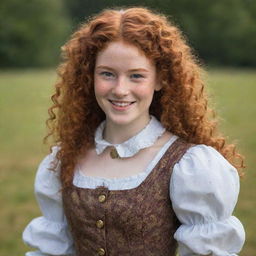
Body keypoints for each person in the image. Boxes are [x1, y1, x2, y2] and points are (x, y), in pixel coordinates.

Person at [22, 7, 245, 256]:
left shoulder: (187, 165)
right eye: (107, 74)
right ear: (89, 76)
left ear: (160, 80)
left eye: (136, 76)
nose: (120, 89)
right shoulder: (66, 160)